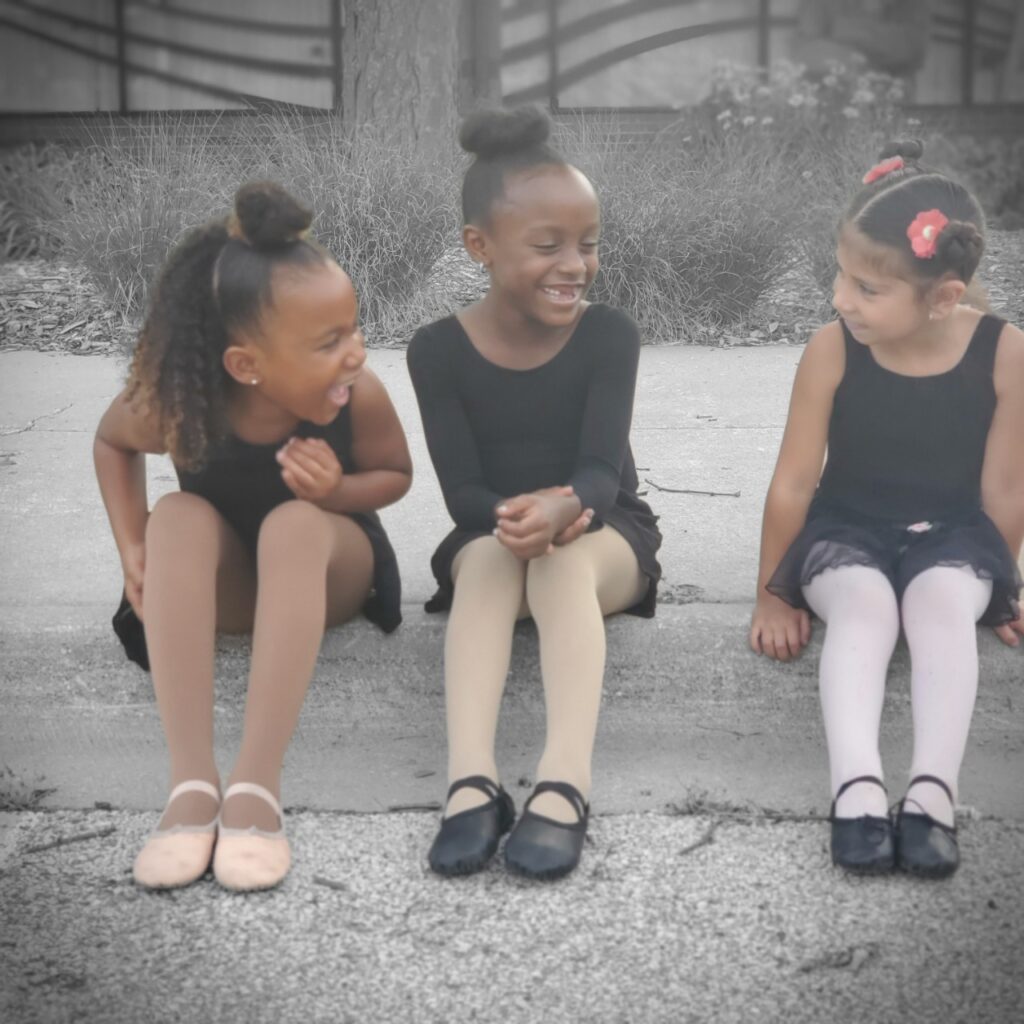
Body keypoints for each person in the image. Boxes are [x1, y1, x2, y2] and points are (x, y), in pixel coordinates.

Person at [94, 182, 412, 891]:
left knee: (295, 522)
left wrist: (337, 492)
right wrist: (131, 546)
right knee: (174, 518)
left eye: (355, 329)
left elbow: (394, 476)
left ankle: (255, 789)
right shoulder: (181, 403)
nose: (356, 353)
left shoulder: (357, 396)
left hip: (328, 567)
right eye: (330, 342)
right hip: (235, 584)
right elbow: (111, 441)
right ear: (246, 364)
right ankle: (191, 786)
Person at [750, 142, 1024, 878]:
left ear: (942, 296)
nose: (843, 297)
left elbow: (1005, 492)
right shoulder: (832, 350)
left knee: (939, 609)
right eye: (843, 274)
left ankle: (933, 794)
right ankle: (858, 789)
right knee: (866, 611)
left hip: (955, 536)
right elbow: (793, 483)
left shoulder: (1005, 353)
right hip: (845, 534)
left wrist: (1002, 584)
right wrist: (770, 592)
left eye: (868, 288)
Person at [407, 107, 662, 881]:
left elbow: (600, 471)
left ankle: (564, 781)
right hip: (493, 526)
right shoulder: (436, 350)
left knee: (559, 563)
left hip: (604, 528)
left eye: (587, 245)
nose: (574, 265)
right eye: (547, 246)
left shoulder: (608, 335)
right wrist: (509, 517)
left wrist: (563, 511)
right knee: (483, 561)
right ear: (479, 247)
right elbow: (462, 492)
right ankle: (471, 783)